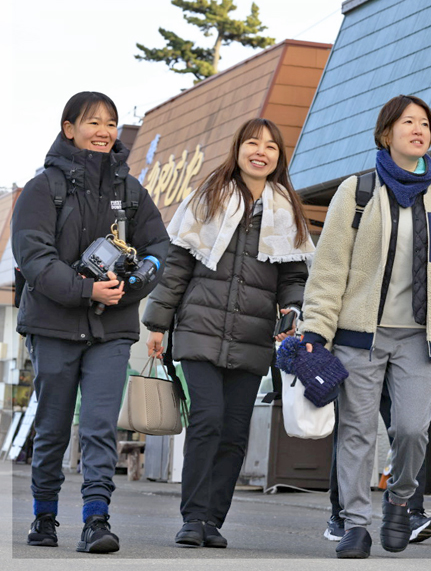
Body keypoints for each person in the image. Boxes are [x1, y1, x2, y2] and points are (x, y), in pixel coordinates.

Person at [299, 94, 431, 559]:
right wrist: (317, 329)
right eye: (408, 122)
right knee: (358, 432)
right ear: (387, 134)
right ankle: (356, 525)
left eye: (425, 123)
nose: (418, 130)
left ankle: (400, 501)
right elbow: (330, 267)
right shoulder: (357, 191)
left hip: (419, 339)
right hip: (359, 336)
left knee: (412, 429)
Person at [143, 118, 313, 548]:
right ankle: (192, 516)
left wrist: (292, 309)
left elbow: (294, 274)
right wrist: (158, 322)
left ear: (279, 157)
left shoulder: (287, 207)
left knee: (235, 431)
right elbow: (179, 263)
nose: (261, 151)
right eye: (253, 143)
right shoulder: (208, 196)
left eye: (271, 146)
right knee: (207, 421)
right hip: (200, 329)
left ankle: (212, 521)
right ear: (238, 149)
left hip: (253, 337)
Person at [13, 91, 169, 553]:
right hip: (55, 327)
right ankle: (44, 516)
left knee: (100, 425)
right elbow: (34, 257)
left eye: (111, 123)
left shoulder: (132, 190)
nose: (103, 131)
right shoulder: (44, 188)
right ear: (69, 129)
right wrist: (86, 289)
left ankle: (96, 520)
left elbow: (160, 249)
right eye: (92, 122)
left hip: (111, 330)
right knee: (54, 424)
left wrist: (138, 279)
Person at [324, 384, 431, 545]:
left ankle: (411, 513)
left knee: (409, 434)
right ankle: (340, 516)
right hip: (362, 361)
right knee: (353, 435)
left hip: (400, 363)